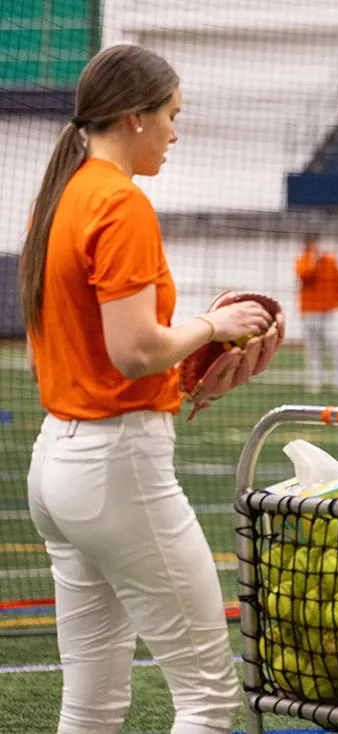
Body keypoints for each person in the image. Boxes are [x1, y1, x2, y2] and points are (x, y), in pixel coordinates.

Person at [21, 44, 274, 734]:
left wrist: (180, 365)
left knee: (90, 707)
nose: (175, 132)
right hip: (115, 466)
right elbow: (133, 351)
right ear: (134, 117)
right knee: (208, 700)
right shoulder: (119, 201)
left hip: (59, 464)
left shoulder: (63, 193)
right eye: (171, 115)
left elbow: (94, 354)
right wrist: (213, 325)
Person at [296, 234, 338, 393]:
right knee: (314, 348)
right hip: (311, 312)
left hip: (332, 310)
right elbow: (304, 275)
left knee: (337, 343)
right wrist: (313, 261)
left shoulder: (330, 260)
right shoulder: (302, 260)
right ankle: (315, 381)